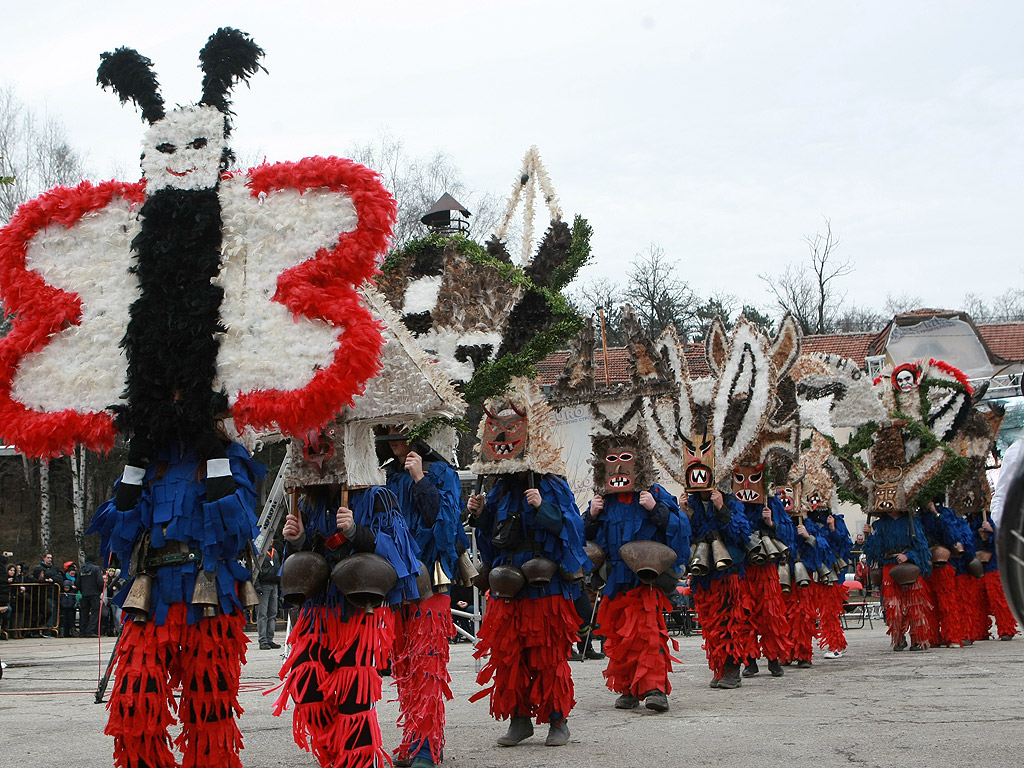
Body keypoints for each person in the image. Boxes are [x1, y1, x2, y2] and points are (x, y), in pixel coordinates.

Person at [88, 431, 265, 768]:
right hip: (152, 596)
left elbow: (236, 528)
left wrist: (214, 455)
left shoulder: (230, 455)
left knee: (209, 708)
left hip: (211, 593)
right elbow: (120, 536)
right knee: (133, 701)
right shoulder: (151, 461)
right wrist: (134, 468)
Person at [467, 378, 589, 749]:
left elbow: (573, 530)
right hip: (508, 585)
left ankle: (557, 720)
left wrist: (544, 508)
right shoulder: (498, 489)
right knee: (510, 656)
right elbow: (492, 543)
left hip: (543, 585)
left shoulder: (552, 484)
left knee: (547, 655)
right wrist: (480, 517)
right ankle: (519, 720)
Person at [273, 484, 419, 768]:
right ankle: (336, 758)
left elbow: (398, 551)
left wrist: (356, 532)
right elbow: (308, 558)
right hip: (317, 612)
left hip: (359, 611)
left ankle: (359, 763)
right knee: (306, 688)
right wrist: (298, 539)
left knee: (354, 700)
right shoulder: (307, 501)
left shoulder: (378, 497)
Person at [583, 435, 690, 712]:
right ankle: (629, 688)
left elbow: (680, 529)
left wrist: (656, 510)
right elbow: (584, 539)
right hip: (616, 580)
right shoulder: (603, 500)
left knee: (648, 631)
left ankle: (654, 688)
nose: (618, 468)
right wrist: (591, 517)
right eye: (611, 460)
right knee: (618, 635)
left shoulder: (655, 494)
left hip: (646, 579)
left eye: (625, 459)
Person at [379, 425, 462, 768]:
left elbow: (446, 526)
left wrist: (421, 480)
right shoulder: (387, 476)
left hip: (432, 583)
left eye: (402, 431)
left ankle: (428, 747)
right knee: (405, 667)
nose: (395, 438)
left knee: (427, 667)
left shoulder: (442, 472)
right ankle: (412, 740)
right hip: (398, 585)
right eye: (390, 430)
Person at [255, 542, 282, 650]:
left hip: (274, 584)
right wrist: (257, 587)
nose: (270, 541)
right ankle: (263, 640)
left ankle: (270, 639)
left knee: (273, 613)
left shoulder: (275, 553)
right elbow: (255, 570)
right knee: (262, 614)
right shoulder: (260, 553)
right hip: (263, 585)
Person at [77, 554, 105, 638]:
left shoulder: (81, 569)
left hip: (84, 594)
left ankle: (82, 631)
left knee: (84, 613)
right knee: (95, 612)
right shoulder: (96, 569)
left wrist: (82, 590)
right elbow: (100, 581)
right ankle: (91, 630)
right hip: (94, 593)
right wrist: (101, 589)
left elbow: (78, 582)